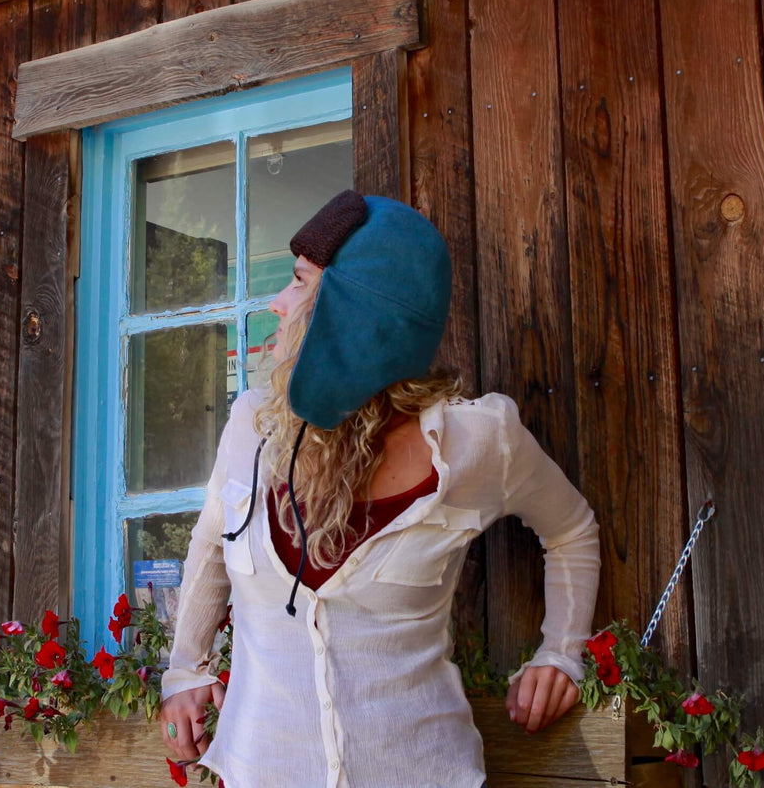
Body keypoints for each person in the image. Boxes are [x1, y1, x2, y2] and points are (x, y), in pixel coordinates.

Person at [159, 191, 600, 788]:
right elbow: (214, 539)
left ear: (351, 317)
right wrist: (185, 669)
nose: (277, 304)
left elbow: (572, 529)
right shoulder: (252, 427)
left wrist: (560, 654)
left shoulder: (477, 441)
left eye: (298, 283)